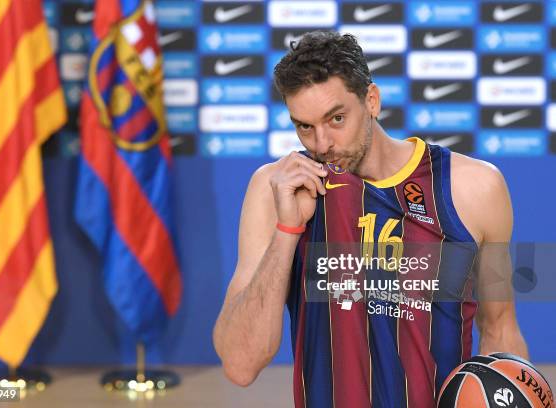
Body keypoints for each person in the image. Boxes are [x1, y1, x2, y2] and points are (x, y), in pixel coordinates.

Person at [212, 31, 528, 407]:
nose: (322, 143)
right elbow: (240, 364)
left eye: (337, 118)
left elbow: (500, 331)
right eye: (304, 126)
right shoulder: (275, 188)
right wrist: (288, 230)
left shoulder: (473, 188)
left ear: (372, 100)